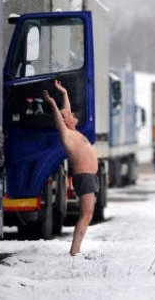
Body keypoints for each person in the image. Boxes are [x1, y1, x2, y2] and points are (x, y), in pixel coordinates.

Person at [43, 80, 99, 256]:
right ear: (66, 121)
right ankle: (75, 251)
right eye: (69, 114)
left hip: (89, 176)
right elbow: (60, 118)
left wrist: (64, 93)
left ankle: (75, 250)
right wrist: (52, 102)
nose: (72, 113)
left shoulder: (75, 131)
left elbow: (65, 110)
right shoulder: (67, 135)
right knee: (87, 214)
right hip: (84, 176)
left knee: (88, 213)